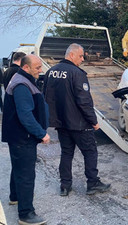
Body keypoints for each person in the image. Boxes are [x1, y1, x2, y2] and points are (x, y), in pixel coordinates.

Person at [43, 43, 111, 196]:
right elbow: (84, 101)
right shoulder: (77, 73)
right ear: (71, 55)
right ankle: (92, 183)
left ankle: (65, 186)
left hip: (61, 123)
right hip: (79, 123)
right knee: (90, 152)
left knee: (66, 153)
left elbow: (46, 98)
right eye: (81, 56)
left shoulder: (51, 72)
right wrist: (94, 121)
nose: (82, 59)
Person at [2, 54, 50, 225]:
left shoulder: (21, 79)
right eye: (37, 67)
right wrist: (41, 133)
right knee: (26, 174)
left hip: (17, 136)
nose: (41, 70)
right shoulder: (22, 84)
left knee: (18, 168)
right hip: (23, 137)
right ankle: (26, 214)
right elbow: (25, 115)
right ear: (26, 67)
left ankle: (15, 197)